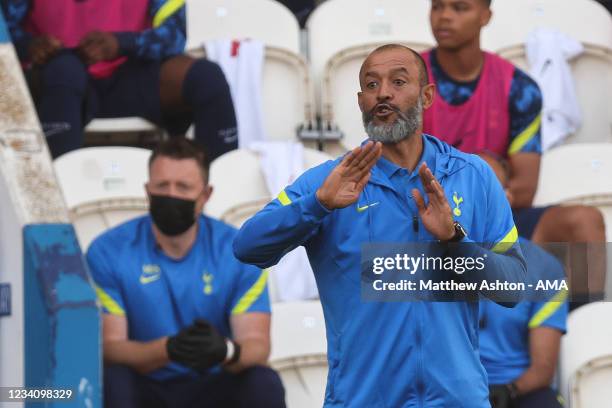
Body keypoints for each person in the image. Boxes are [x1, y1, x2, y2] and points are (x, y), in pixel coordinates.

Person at [234, 43, 527, 407]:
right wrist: (317, 205)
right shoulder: (330, 182)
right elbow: (246, 247)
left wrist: (455, 240)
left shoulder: (474, 176)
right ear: (360, 102)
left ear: (427, 96)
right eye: (371, 85)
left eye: (398, 81)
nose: (383, 93)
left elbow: (514, 287)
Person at [423, 0, 606, 301]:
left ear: (486, 16)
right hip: (426, 214)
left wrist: (478, 186)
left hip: (499, 213)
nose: (444, 16)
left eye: (459, 8)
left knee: (585, 222)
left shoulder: (518, 88)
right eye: (437, 6)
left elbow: (523, 190)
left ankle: (579, 332)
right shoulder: (409, 81)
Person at [86, 138, 285, 408]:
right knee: (114, 380)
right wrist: (167, 350)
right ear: (147, 191)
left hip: (213, 384)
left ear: (205, 195)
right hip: (147, 385)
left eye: (183, 187)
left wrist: (224, 350)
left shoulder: (240, 250)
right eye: (162, 186)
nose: (171, 195)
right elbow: (110, 348)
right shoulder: (108, 251)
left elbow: (257, 345)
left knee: (263, 383)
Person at [1, 0, 238, 160]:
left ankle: (218, 197)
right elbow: (7, 29)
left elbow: (175, 34)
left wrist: (123, 43)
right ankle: (56, 204)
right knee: (65, 69)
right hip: (57, 83)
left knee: (207, 77)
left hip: (128, 72)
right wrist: (30, 46)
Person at [482, 239, 568, 408]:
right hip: (445, 386)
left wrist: (510, 390)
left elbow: (543, 368)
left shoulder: (544, 265)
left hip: (514, 389)